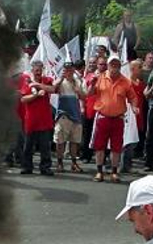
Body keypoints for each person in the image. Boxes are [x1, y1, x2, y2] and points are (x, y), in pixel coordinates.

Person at [89, 55, 137, 183]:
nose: (114, 67)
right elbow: (89, 93)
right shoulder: (99, 78)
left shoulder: (125, 81)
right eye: (112, 64)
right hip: (103, 117)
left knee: (116, 147)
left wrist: (134, 106)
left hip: (118, 118)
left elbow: (132, 97)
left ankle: (114, 172)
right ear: (108, 65)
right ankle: (99, 171)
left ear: (120, 66)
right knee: (100, 146)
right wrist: (92, 84)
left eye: (116, 65)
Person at [18, 60, 55, 176]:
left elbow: (53, 89)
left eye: (40, 70)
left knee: (45, 146)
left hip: (44, 119)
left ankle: (45, 167)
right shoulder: (27, 82)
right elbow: (23, 99)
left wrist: (38, 85)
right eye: (36, 70)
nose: (38, 72)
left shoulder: (47, 80)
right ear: (32, 71)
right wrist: (35, 95)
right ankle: (27, 166)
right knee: (28, 145)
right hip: (31, 119)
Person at [52, 61, 86, 172]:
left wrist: (78, 90)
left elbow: (84, 96)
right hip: (63, 114)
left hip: (75, 114)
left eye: (70, 70)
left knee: (74, 141)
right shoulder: (60, 81)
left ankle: (74, 163)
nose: (69, 72)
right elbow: (53, 88)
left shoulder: (78, 81)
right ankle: (60, 162)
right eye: (66, 70)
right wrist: (61, 79)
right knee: (60, 140)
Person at [80, 56, 106, 163]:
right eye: (100, 64)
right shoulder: (89, 76)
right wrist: (82, 106)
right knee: (88, 133)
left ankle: (102, 157)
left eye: (104, 64)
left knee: (102, 134)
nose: (101, 66)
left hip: (103, 108)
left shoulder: (108, 77)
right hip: (90, 108)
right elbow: (83, 93)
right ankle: (86, 155)